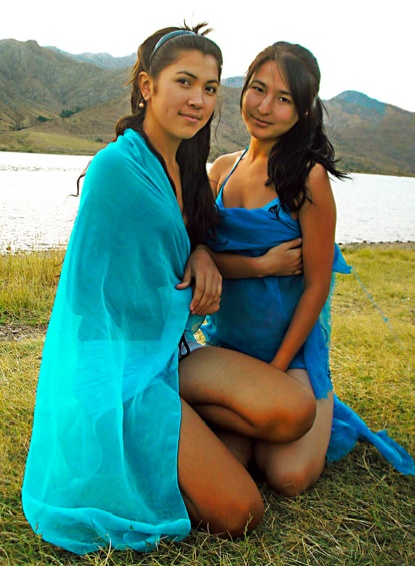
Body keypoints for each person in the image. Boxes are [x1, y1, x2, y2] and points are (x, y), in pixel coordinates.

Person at [21, 24, 274, 555]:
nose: (198, 99)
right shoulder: (117, 168)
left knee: (288, 411)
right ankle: (162, 443)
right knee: (241, 513)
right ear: (146, 86)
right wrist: (199, 283)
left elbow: (180, 241)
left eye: (210, 88)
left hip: (168, 353)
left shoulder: (184, 163)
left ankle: (184, 435)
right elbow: (97, 296)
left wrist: (203, 253)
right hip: (117, 366)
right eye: (185, 81)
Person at [179, 41, 415, 496]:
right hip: (231, 346)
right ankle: (251, 416)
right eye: (257, 89)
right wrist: (262, 263)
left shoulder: (307, 178)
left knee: (287, 477)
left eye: (283, 99)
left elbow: (316, 287)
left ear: (303, 111)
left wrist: (278, 369)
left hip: (290, 355)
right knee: (228, 463)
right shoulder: (220, 171)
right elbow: (198, 257)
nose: (265, 107)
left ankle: (295, 408)